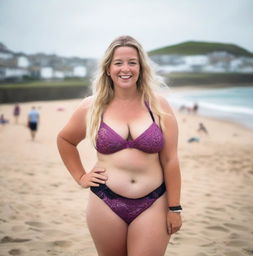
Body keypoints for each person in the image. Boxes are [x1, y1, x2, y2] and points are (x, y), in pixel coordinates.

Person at [57, 35, 182, 256]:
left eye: (132, 62)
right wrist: (80, 176)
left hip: (153, 201)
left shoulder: (158, 105)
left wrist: (174, 208)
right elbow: (65, 140)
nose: (126, 68)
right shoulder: (92, 106)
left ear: (141, 67)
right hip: (105, 201)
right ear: (108, 69)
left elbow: (170, 160)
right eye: (118, 63)